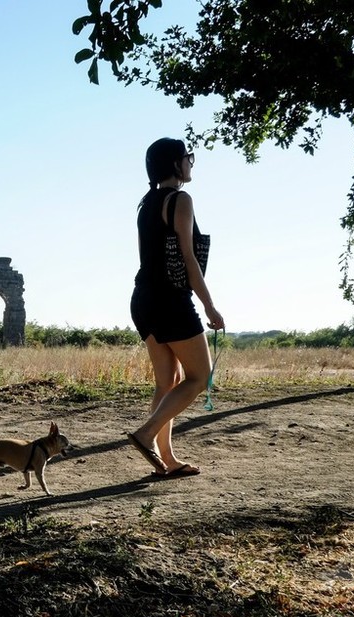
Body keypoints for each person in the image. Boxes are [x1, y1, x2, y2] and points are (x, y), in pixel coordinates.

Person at [126, 137, 225, 478]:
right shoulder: (181, 199)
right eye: (188, 158)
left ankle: (166, 460)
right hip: (170, 300)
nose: (191, 164)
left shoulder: (145, 204)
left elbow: (146, 257)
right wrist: (209, 306)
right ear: (174, 164)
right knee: (200, 376)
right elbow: (187, 258)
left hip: (143, 299)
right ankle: (145, 433)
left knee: (167, 382)